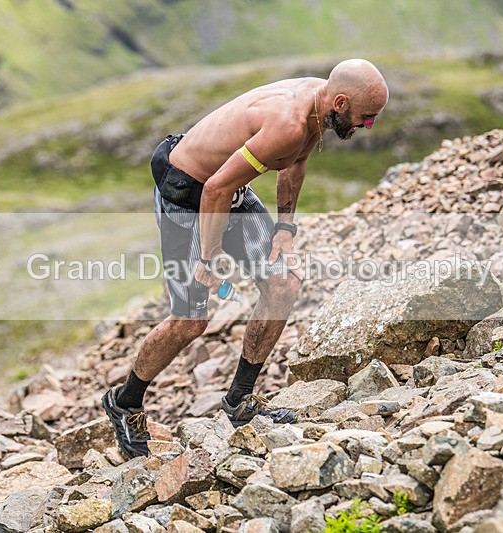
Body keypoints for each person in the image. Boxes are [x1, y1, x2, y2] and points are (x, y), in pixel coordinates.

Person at [102, 59, 389, 458]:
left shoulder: (317, 104)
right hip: (188, 190)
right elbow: (215, 189)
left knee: (283, 281)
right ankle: (125, 401)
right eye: (366, 118)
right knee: (191, 321)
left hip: (225, 187)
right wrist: (208, 257)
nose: (366, 127)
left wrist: (285, 229)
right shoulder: (288, 122)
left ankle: (239, 401)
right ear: (340, 101)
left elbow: (295, 160)